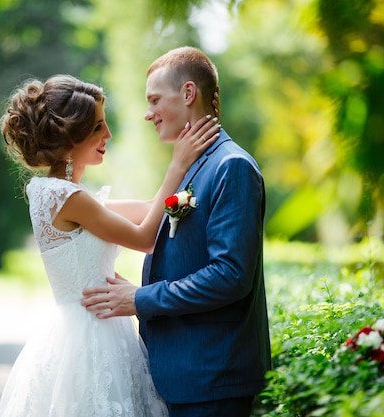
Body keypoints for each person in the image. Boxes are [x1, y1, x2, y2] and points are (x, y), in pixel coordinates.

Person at [0, 74, 220, 417]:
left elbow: (147, 210)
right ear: (72, 135)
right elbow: (145, 238)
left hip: (97, 326)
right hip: (90, 336)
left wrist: (187, 174)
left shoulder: (62, 195)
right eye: (98, 127)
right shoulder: (65, 197)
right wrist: (177, 164)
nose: (108, 135)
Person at [81, 46, 272, 417]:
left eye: (154, 99)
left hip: (212, 379)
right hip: (183, 376)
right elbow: (158, 223)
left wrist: (140, 299)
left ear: (188, 94)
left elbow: (230, 276)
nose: (147, 113)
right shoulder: (192, 162)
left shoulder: (231, 167)